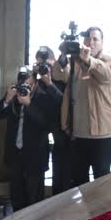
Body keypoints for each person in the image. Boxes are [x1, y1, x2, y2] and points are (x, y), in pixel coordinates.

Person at [55, 26, 111, 186]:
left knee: (102, 179)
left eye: (95, 39)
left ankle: (101, 204)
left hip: (101, 134)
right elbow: (59, 74)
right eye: (88, 39)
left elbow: (107, 76)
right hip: (79, 132)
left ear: (102, 43)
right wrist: (63, 55)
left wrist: (89, 60)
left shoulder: (108, 61)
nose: (91, 42)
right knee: (78, 179)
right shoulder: (75, 62)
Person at [0, 67, 62, 211]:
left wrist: (29, 104)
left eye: (29, 85)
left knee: (34, 199)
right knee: (16, 197)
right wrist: (7, 99)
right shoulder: (14, 95)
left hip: (35, 156)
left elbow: (47, 124)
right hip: (15, 155)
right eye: (23, 84)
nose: (26, 88)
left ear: (35, 84)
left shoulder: (44, 98)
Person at [36, 46, 70, 195]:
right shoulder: (36, 82)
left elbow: (64, 102)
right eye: (41, 65)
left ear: (54, 62)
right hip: (41, 127)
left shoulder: (61, 79)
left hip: (60, 129)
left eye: (48, 65)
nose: (45, 69)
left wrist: (50, 84)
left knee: (61, 164)